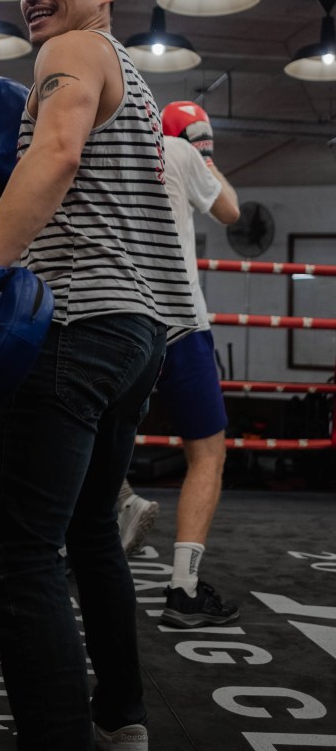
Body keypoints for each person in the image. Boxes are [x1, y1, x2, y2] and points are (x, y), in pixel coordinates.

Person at [0, 0, 199, 750]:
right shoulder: (134, 81)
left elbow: (51, 156)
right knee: (91, 530)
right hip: (134, 336)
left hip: (75, 326)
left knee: (21, 554)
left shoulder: (73, 53)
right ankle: (121, 719)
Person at [118, 101, 241, 629]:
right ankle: (183, 589)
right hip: (182, 327)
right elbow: (232, 212)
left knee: (95, 443)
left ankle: (79, 542)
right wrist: (205, 152)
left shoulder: (114, 157)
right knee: (208, 454)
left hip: (117, 323)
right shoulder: (180, 152)